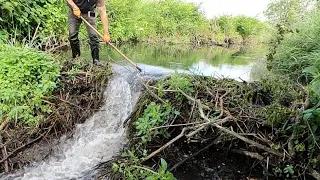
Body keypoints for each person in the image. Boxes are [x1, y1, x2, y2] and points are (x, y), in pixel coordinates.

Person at [66, 0, 110, 66]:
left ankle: (96, 60)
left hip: (90, 12)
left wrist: (106, 33)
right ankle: (76, 58)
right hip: (74, 11)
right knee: (72, 35)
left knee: (93, 36)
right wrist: (74, 7)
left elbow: (103, 12)